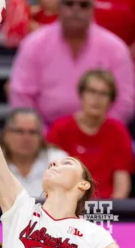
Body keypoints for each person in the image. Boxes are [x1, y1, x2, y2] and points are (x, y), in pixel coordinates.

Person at [0, 25, 118, 247]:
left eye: (67, 162)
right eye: (56, 161)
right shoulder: (20, 209)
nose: (54, 161)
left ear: (83, 185)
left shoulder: (96, 237)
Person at [8, 0, 135, 126]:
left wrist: (101, 132)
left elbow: (125, 101)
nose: (76, 9)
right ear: (59, 8)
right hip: (43, 136)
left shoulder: (116, 49)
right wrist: (42, 136)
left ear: (93, 9)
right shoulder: (34, 45)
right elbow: (21, 95)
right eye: (69, 3)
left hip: (102, 135)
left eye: (83, 5)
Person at [47, 69, 134, 199]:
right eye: (92, 91)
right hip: (67, 205)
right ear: (81, 94)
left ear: (111, 100)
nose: (97, 99)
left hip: (107, 208)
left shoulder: (118, 131)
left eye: (104, 93)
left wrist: (114, 210)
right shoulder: (60, 128)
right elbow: (51, 177)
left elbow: (122, 183)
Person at [0, 108, 67, 199]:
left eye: (32, 132)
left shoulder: (58, 159)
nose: (26, 138)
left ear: (41, 137)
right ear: (6, 134)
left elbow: (70, 196)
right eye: (19, 131)